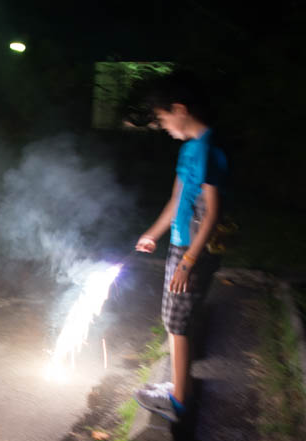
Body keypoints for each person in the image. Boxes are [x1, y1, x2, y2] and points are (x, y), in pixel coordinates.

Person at [133, 73, 228, 423]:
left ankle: (178, 402)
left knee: (178, 321)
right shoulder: (189, 148)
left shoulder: (205, 149)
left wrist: (189, 261)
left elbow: (212, 212)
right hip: (179, 245)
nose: (161, 125)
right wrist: (153, 233)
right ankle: (176, 387)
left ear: (180, 109)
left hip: (193, 251)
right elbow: (177, 200)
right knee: (173, 318)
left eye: (162, 118)